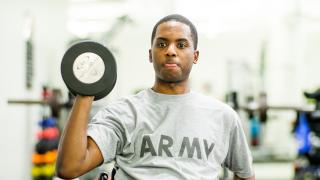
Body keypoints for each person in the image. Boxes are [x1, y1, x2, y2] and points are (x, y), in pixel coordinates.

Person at [56, 14, 255, 180]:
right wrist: (86, 89)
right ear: (151, 54)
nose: (170, 51)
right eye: (162, 44)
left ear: (195, 56)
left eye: (181, 44)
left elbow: (244, 174)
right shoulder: (123, 112)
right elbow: (70, 168)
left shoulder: (223, 116)